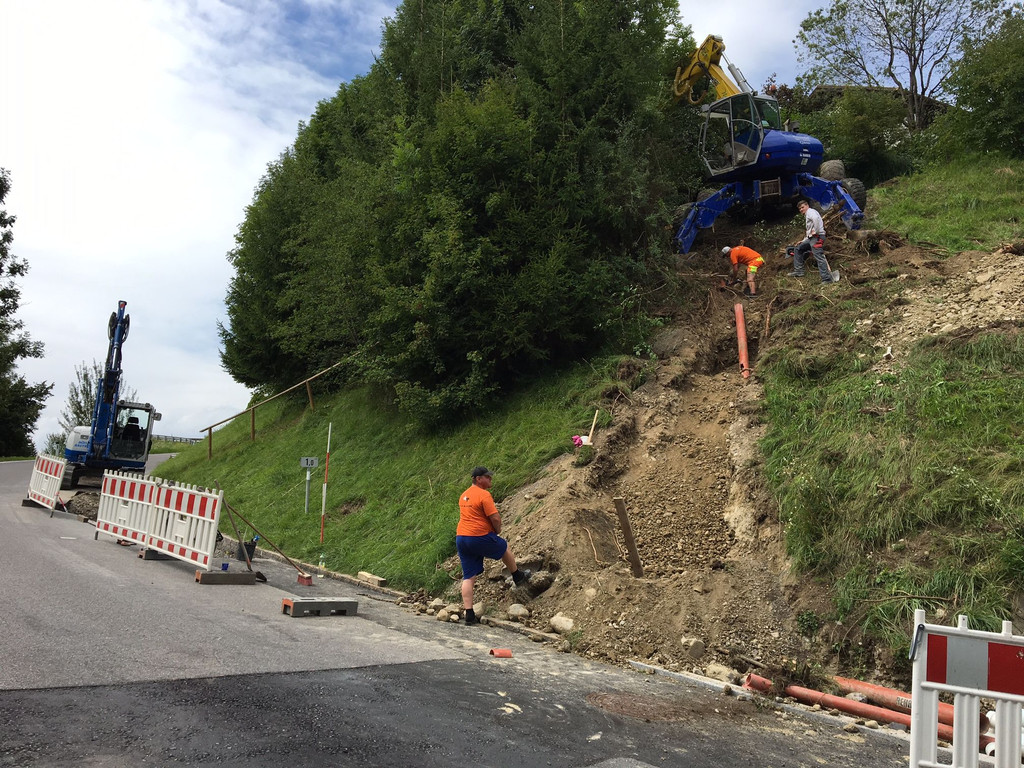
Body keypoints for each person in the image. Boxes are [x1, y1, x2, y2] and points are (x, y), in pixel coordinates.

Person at [456, 466, 531, 625]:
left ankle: (469, 613)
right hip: (478, 536)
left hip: (461, 538)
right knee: (503, 546)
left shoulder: (464, 495)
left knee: (468, 576)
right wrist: (497, 530)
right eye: (487, 477)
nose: (490, 479)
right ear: (478, 479)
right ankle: (517, 575)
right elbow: (495, 517)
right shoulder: (483, 494)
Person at [789, 199, 839, 284]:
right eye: (800, 209)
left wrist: (816, 231)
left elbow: (816, 220)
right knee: (798, 248)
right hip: (811, 238)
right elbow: (809, 232)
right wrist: (803, 241)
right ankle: (799, 271)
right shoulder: (808, 214)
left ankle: (827, 279)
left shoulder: (810, 212)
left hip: (817, 237)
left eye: (802, 207)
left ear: (807, 206)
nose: (801, 209)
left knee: (819, 256)